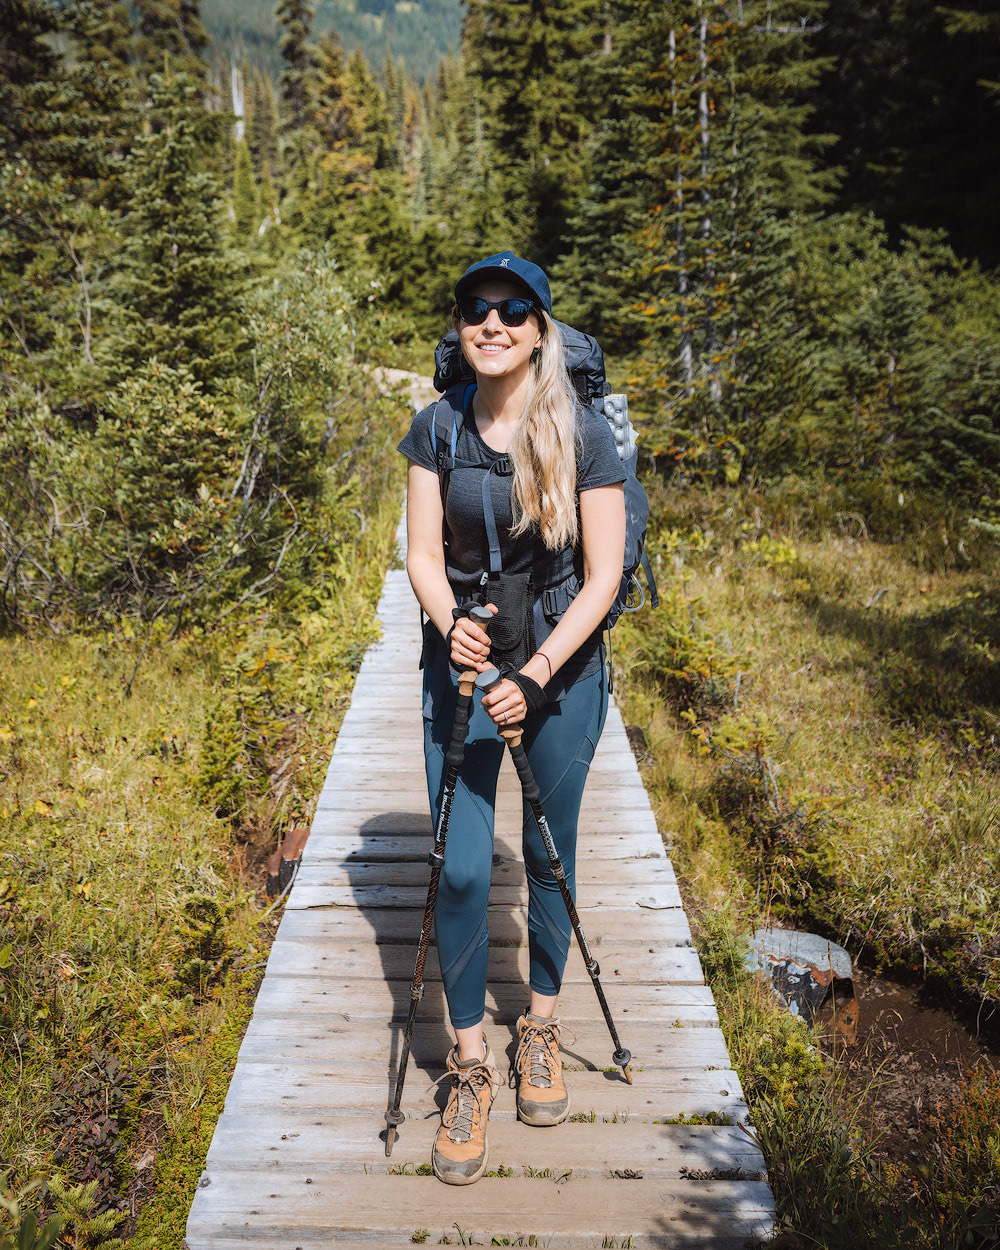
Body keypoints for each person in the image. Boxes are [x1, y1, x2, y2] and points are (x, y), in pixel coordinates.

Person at [397, 250, 626, 1185]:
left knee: (548, 852)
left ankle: (539, 1019)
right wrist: (452, 627)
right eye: (474, 310)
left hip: (558, 674)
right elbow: (418, 553)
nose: (491, 324)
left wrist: (533, 674)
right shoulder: (434, 428)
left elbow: (604, 574)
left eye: (511, 310)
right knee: (457, 870)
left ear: (541, 330)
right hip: (459, 674)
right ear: (460, 327)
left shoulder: (584, 433)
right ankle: (468, 1064)